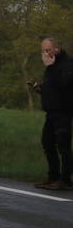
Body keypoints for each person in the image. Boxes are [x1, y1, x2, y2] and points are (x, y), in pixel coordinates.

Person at [29, 37, 73, 190]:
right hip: (51, 112)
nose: (45, 53)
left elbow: (63, 84)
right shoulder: (51, 66)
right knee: (47, 143)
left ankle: (65, 180)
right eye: (43, 51)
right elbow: (53, 87)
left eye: (47, 50)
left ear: (56, 48)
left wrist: (51, 67)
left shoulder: (67, 64)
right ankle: (53, 177)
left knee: (63, 146)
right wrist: (40, 89)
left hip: (64, 112)